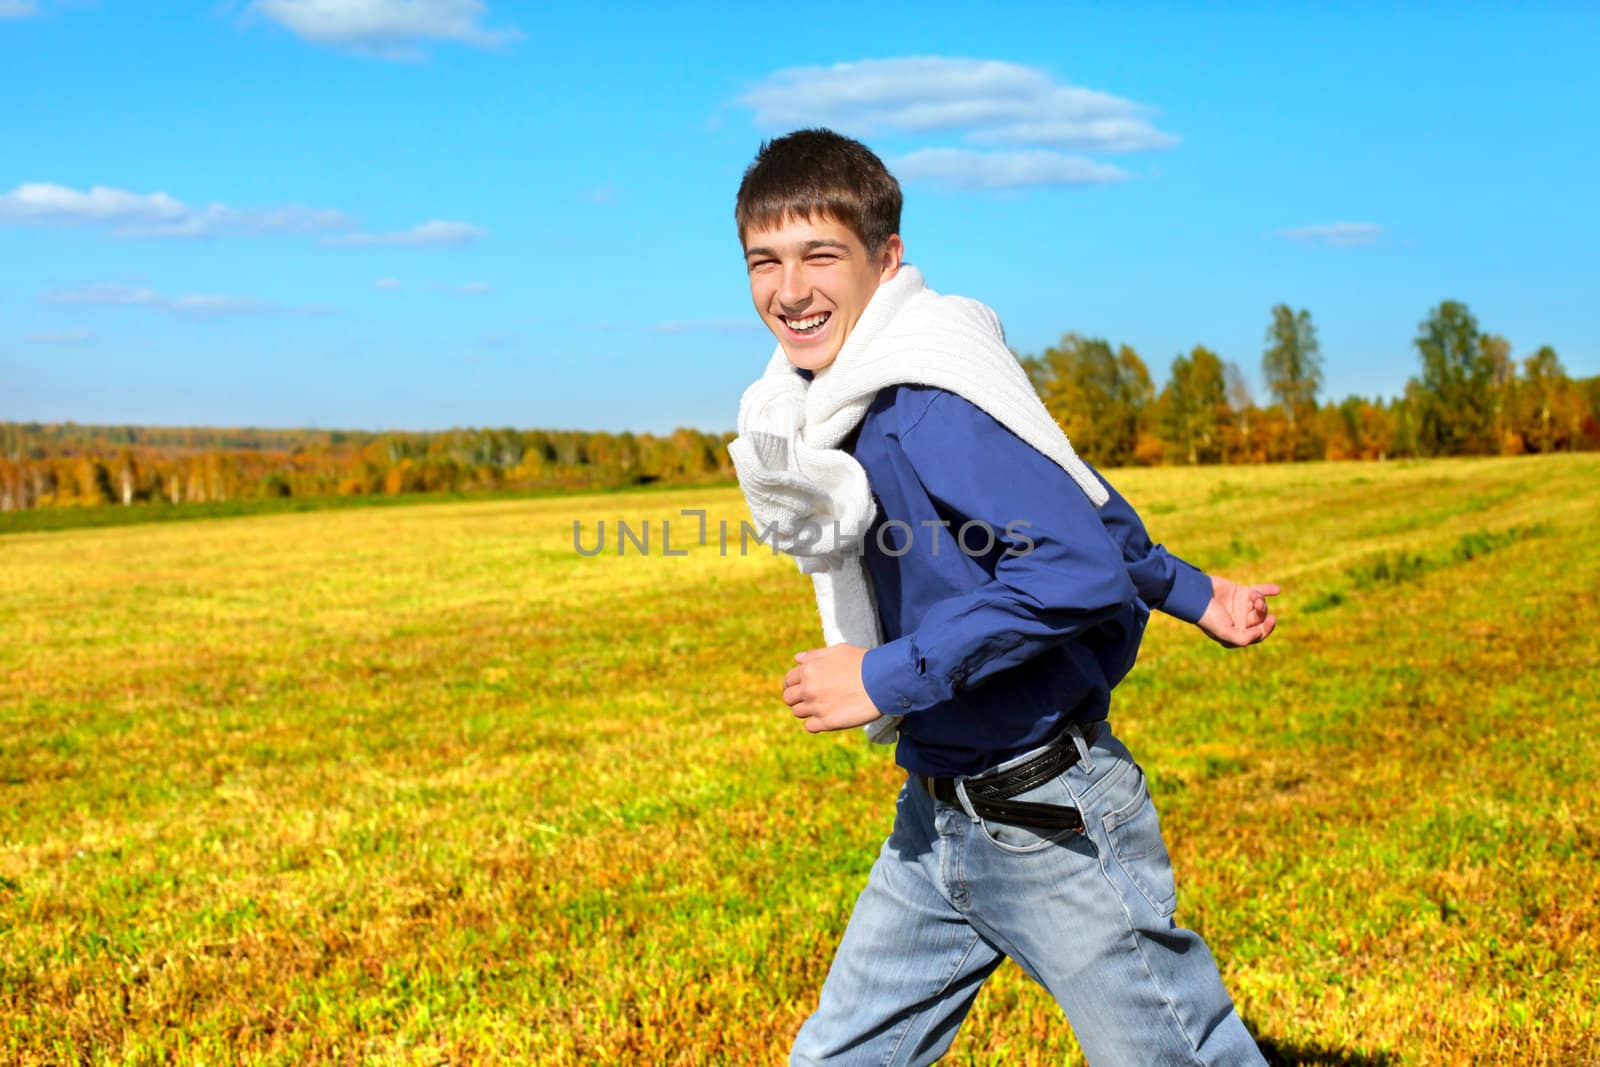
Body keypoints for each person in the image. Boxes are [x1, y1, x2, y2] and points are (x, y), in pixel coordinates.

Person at [727, 128, 1279, 1067]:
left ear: (885, 259)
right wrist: (1196, 593)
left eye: (821, 254)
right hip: (937, 814)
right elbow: (1074, 491)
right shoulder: (834, 400)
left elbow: (1067, 564)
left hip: (1047, 814)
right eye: (763, 261)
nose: (790, 289)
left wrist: (884, 673)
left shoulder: (926, 400)